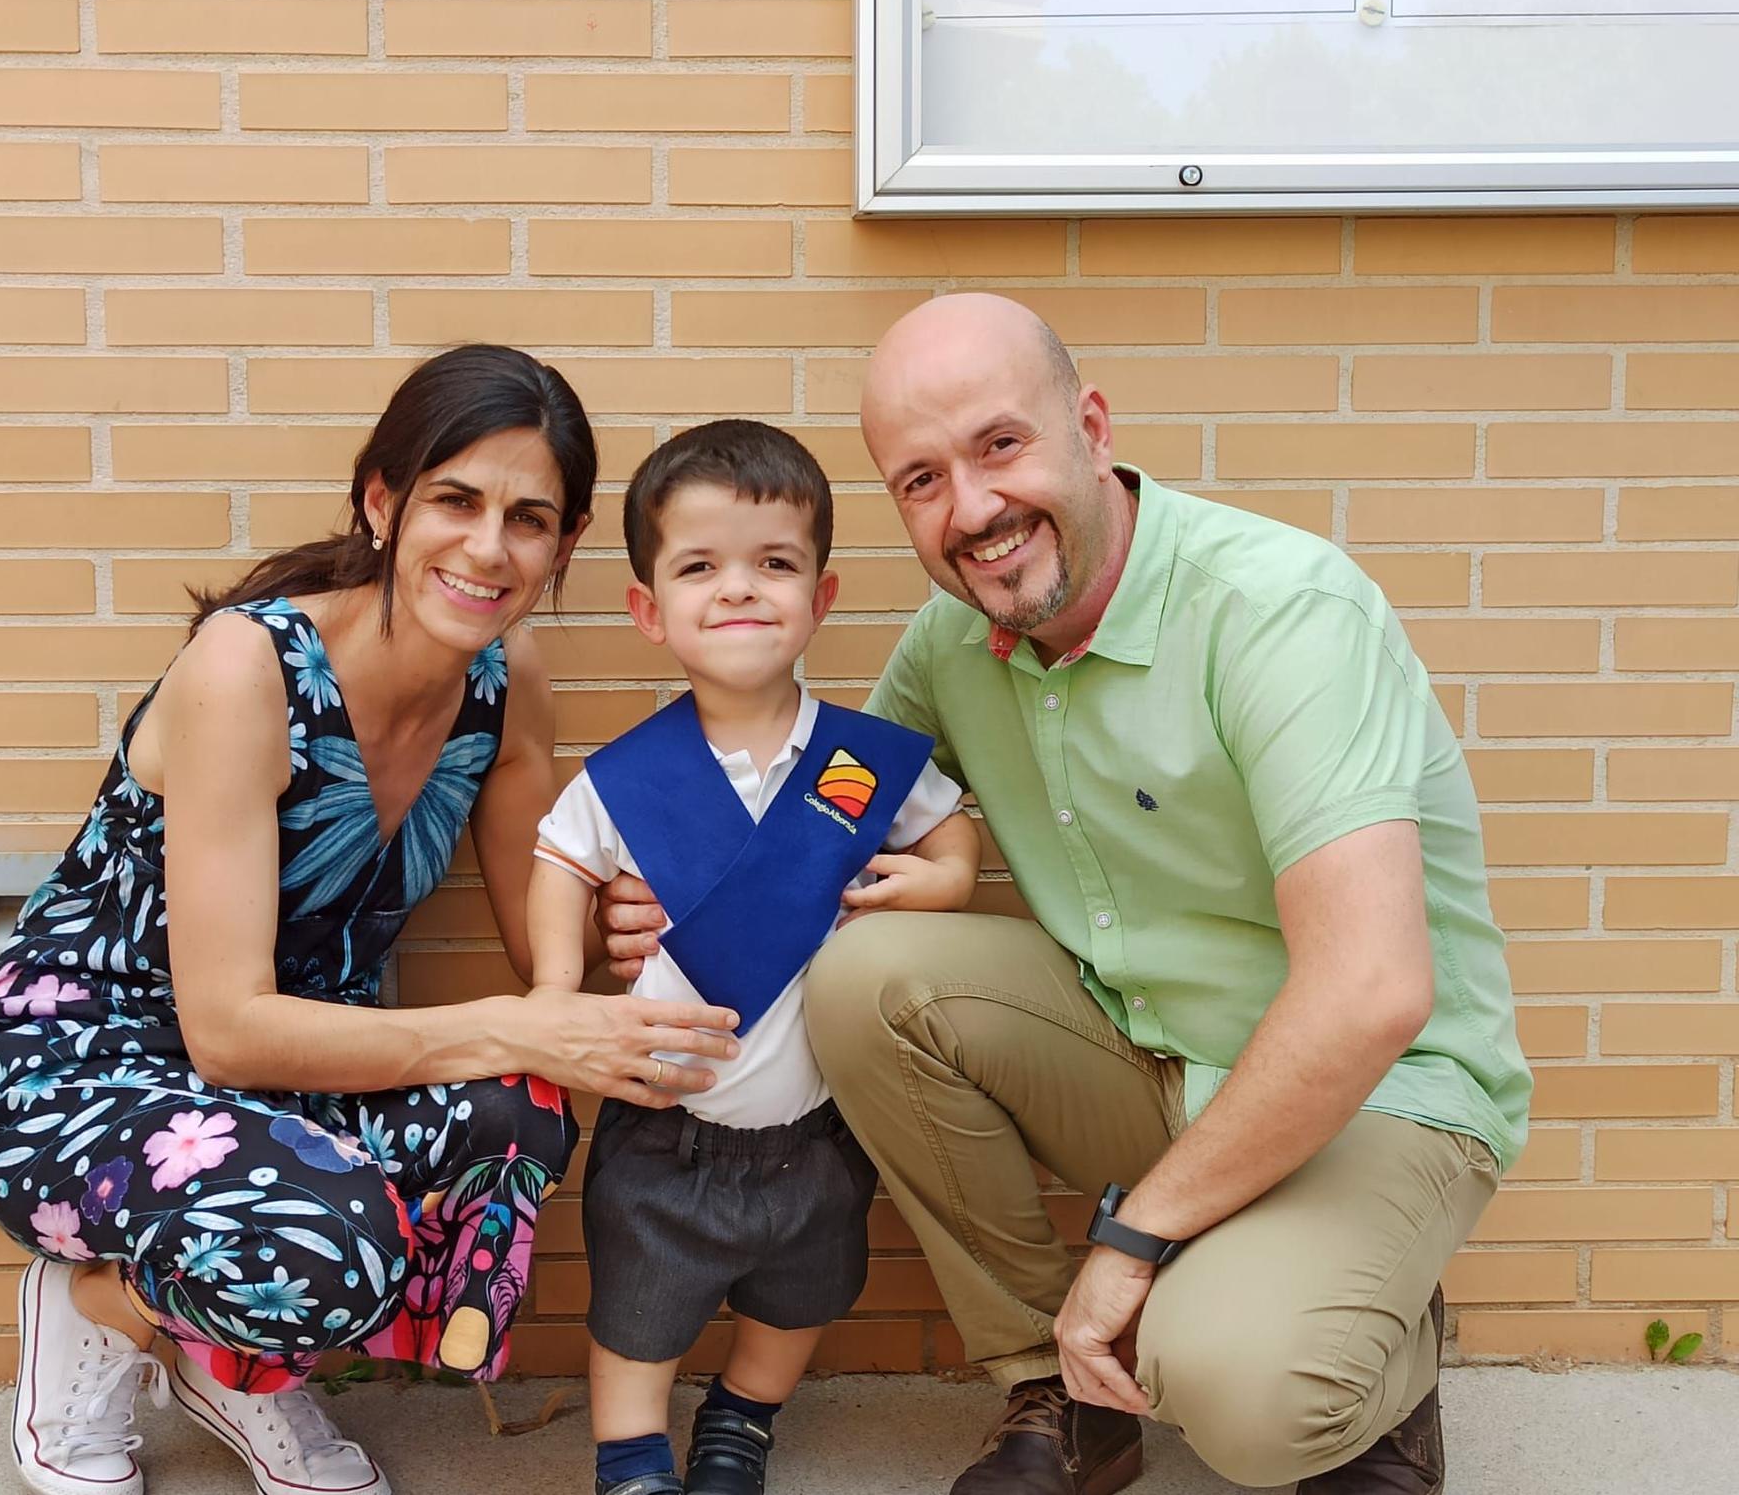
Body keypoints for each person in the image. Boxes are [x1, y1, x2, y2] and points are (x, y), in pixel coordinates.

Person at [601, 296, 1532, 1495]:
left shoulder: (1278, 612)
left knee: (1245, 1403)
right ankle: (1056, 1384)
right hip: (1137, 1050)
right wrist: (664, 896)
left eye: (1000, 446)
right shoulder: (948, 644)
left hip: (1373, 1093)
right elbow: (809, 834)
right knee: (865, 979)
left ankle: (1377, 1351)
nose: (972, 511)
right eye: (921, 479)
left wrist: (1132, 1241)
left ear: (1089, 427)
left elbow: (1370, 993)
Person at [0, 345, 745, 1495]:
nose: (486, 547)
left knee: (521, 1113)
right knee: (334, 1251)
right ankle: (100, 1306)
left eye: (528, 518)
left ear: (562, 549)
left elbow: (539, 950)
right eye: (455, 500)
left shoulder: (509, 676)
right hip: (77, 1072)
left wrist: (619, 928)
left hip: (290, 1083)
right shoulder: (247, 668)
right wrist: (523, 1027)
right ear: (382, 501)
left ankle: (232, 1358)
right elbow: (223, 1031)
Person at [529, 421, 980, 1495]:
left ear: (821, 597)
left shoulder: (856, 763)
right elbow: (557, 856)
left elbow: (949, 824)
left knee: (800, 1296)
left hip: (814, 1128)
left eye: (774, 563)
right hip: (662, 1125)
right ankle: (631, 1455)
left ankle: (741, 1418)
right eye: (699, 567)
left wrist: (943, 879)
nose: (739, 590)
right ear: (649, 611)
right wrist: (553, 991)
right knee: (637, 1308)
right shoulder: (628, 775)